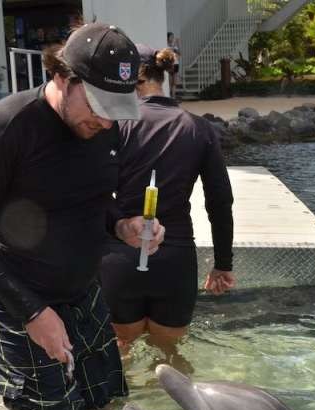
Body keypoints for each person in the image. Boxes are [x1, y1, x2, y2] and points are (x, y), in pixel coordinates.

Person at [0, 23, 164, 410]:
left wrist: (123, 227)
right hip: (19, 303)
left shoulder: (105, 130)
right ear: (64, 77)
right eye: (99, 108)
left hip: (83, 295)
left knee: (105, 402)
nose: (106, 122)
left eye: (116, 110)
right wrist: (33, 314)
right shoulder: (3, 130)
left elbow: (92, 202)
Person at [99, 44, 235, 360]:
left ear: (134, 78)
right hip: (175, 258)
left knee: (120, 356)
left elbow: (95, 194)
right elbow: (219, 202)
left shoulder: (116, 126)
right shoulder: (198, 128)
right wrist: (222, 264)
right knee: (170, 357)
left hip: (119, 257)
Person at [166, 32, 181, 99]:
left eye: (173, 37)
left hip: (176, 64)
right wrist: (174, 45)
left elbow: (179, 53)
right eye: (171, 37)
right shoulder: (166, 45)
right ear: (168, 38)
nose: (172, 38)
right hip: (169, 65)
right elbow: (170, 50)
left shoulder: (175, 46)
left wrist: (178, 45)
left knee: (174, 82)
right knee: (169, 82)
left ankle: (173, 97)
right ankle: (169, 96)